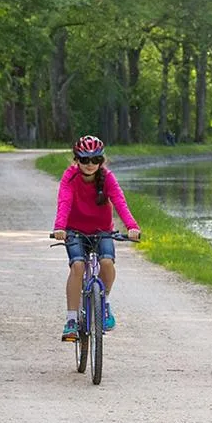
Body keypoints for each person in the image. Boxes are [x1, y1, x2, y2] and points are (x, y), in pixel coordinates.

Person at [52, 135, 141, 341]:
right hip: (74, 230)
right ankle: (71, 320)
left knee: (107, 262)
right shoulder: (70, 177)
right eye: (84, 160)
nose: (90, 164)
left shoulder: (107, 177)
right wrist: (60, 227)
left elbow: (120, 201)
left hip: (102, 230)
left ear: (102, 161)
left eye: (95, 160)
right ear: (76, 160)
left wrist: (132, 226)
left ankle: (104, 303)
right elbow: (64, 201)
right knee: (77, 266)